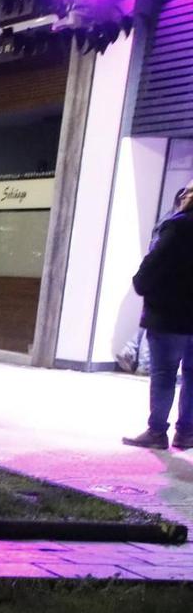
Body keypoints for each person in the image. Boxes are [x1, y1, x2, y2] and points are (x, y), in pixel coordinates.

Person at [123, 180, 193, 449]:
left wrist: (142, 284)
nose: (183, 195)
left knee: (164, 375)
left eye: (186, 192)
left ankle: (157, 432)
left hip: (169, 316)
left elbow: (151, 269)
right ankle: (186, 433)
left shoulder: (177, 227)